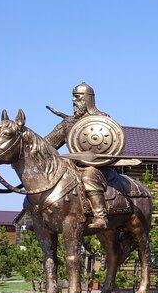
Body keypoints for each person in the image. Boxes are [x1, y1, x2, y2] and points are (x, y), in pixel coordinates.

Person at [45, 82, 110, 229]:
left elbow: (111, 142)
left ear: (88, 99)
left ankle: (100, 216)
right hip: (71, 165)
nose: (74, 101)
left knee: (88, 176)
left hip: (96, 166)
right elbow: (47, 144)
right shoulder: (68, 123)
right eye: (73, 97)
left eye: (78, 97)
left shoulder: (102, 119)